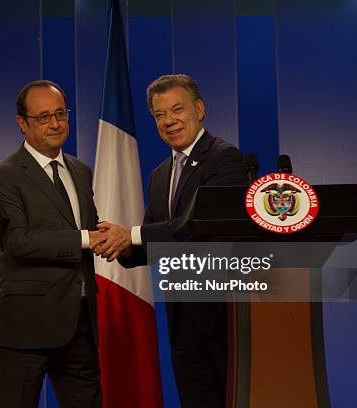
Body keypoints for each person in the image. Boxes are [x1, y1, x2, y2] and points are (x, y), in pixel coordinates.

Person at [96, 74, 248, 407]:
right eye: (160, 114)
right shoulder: (160, 174)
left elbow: (199, 226)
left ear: (199, 109)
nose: (169, 121)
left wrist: (130, 234)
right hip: (182, 320)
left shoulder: (225, 159)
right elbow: (156, 238)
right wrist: (116, 243)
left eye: (177, 110)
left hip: (223, 317)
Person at [0, 80, 103, 407]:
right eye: (43, 117)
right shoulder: (2, 177)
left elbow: (88, 229)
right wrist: (87, 239)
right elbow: (17, 241)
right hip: (25, 326)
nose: (55, 124)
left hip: (79, 321)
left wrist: (117, 238)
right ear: (22, 123)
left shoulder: (80, 170)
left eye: (60, 114)